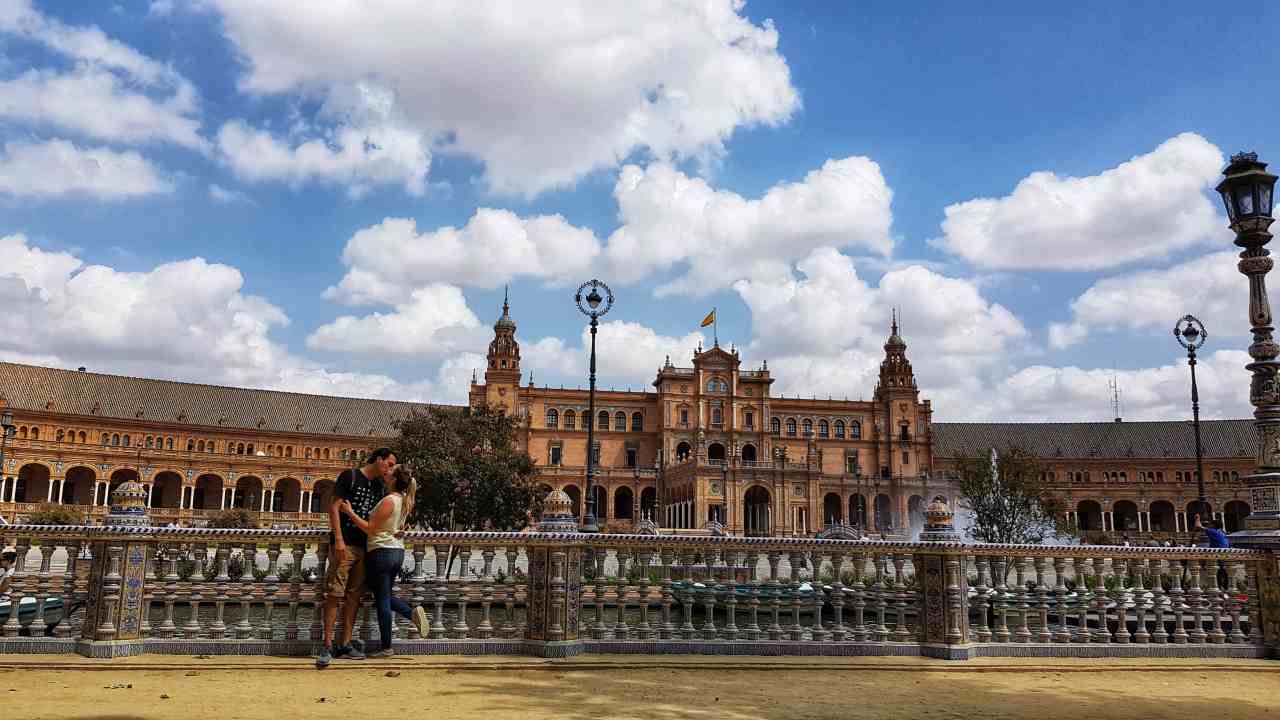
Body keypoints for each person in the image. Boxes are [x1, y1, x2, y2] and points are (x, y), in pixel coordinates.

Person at [317, 448, 396, 669]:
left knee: (354, 596)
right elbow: (333, 507)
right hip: (346, 545)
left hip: (367, 546)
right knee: (334, 593)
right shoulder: (349, 476)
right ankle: (327, 646)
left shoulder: (380, 485)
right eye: (389, 464)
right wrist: (339, 539)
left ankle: (345, 643)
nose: (390, 469)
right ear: (378, 459)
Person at [340, 464, 429, 656]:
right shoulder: (406, 500)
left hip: (381, 552)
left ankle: (389, 643)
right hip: (396, 551)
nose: (386, 471)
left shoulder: (389, 500)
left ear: (393, 479)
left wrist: (349, 513)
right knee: (383, 595)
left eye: (391, 470)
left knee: (382, 599)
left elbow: (370, 528)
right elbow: (398, 526)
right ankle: (409, 614)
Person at [1193, 513, 1231, 590]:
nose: (1209, 525)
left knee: (1217, 573)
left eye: (1211, 524)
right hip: (1225, 555)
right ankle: (1224, 589)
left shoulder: (1213, 532)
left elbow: (1198, 526)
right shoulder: (1222, 532)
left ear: (1214, 526)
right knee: (1223, 573)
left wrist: (1197, 518)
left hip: (1218, 555)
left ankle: (1220, 589)